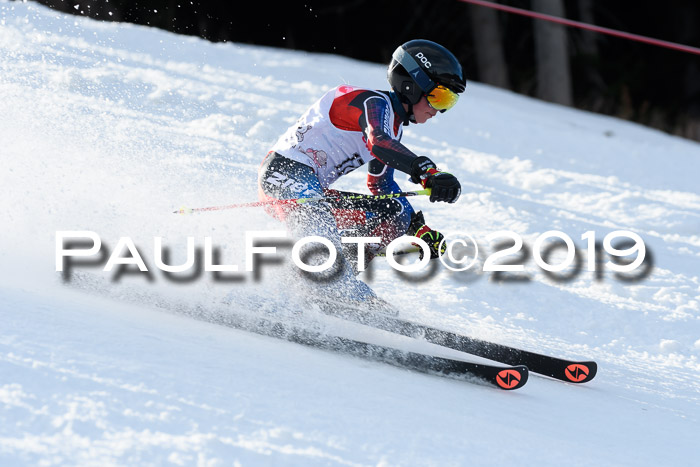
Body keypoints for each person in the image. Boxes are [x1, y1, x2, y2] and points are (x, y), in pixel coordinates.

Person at [257, 39, 466, 305]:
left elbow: (381, 185)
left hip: (313, 190)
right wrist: (426, 171)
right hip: (283, 175)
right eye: (440, 96)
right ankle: (332, 285)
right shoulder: (373, 103)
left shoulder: (394, 128)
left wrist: (416, 227)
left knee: (395, 213)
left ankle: (317, 285)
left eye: (450, 101)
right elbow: (377, 141)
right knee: (317, 212)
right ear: (412, 86)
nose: (439, 110)